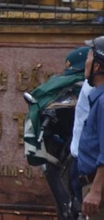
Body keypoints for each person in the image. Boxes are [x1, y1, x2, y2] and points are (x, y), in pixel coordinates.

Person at [77, 36, 104, 219]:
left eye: (89, 56)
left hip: (99, 192)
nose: (85, 62)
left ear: (96, 66)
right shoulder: (97, 98)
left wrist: (95, 190)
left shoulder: (103, 102)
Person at [67, 46, 93, 208]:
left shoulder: (97, 92)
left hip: (90, 170)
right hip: (80, 163)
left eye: (90, 57)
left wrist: (96, 188)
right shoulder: (89, 86)